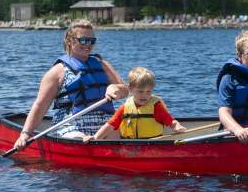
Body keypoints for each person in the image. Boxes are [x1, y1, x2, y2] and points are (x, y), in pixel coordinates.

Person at [12, 19, 128, 149]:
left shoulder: (102, 64)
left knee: (117, 139)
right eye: (83, 40)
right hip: (71, 124)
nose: (88, 45)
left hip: (106, 124)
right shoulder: (57, 72)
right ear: (69, 41)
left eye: (92, 41)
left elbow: (125, 90)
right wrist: (25, 134)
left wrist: (115, 88)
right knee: (80, 139)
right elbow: (40, 105)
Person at [85, 66, 187, 141]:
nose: (145, 95)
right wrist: (95, 137)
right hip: (129, 146)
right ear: (130, 89)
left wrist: (177, 127)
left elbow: (170, 121)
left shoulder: (156, 106)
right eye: (140, 91)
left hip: (152, 145)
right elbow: (110, 125)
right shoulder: (125, 108)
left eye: (149, 92)